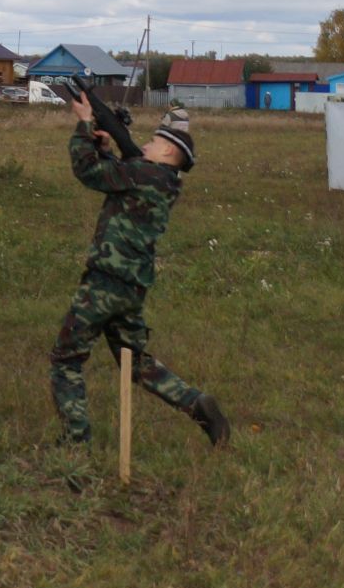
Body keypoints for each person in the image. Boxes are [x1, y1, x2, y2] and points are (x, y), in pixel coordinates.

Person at [49, 96, 230, 448]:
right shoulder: (161, 182)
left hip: (104, 283)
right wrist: (105, 147)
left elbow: (88, 171)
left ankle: (75, 442)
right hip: (131, 288)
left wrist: (85, 125)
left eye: (155, 142)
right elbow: (121, 180)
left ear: (167, 154)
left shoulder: (142, 172)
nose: (146, 143)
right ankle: (197, 404)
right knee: (136, 363)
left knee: (66, 358)